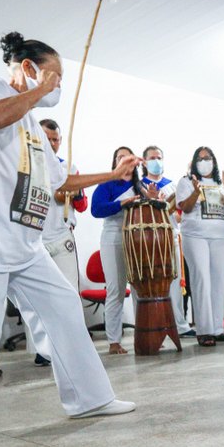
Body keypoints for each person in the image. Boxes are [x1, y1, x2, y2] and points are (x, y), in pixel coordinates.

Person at [0, 32, 136, 447]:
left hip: (19, 240)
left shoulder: (33, 124)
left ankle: (88, 398)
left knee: (64, 307)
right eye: (56, 76)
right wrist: (39, 90)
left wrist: (113, 175)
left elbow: (59, 180)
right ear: (29, 67)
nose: (57, 86)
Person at [27, 118, 88, 366]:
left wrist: (71, 193)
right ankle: (44, 350)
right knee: (39, 298)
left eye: (55, 139)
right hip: (34, 239)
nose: (51, 143)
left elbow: (82, 206)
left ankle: (72, 346)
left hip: (62, 236)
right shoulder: (25, 163)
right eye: (46, 138)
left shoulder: (69, 167)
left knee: (69, 293)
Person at [176, 147, 224, 346]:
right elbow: (184, 207)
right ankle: (204, 330)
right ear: (194, 162)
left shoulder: (222, 183)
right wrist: (196, 191)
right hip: (196, 235)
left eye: (208, 158)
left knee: (218, 280)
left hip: (220, 236)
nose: (204, 162)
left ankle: (217, 328)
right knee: (201, 278)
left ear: (214, 160)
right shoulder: (186, 182)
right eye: (200, 159)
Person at [91, 146, 142, 355]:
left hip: (138, 239)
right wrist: (123, 203)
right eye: (119, 157)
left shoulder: (141, 185)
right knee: (116, 290)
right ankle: (114, 341)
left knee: (140, 289)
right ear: (115, 163)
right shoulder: (108, 184)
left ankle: (144, 333)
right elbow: (96, 209)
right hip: (114, 239)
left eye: (127, 157)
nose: (124, 160)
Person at [141, 145, 195, 338]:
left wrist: (169, 207)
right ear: (144, 161)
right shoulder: (138, 186)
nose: (157, 161)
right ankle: (156, 325)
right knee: (153, 282)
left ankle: (180, 324)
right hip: (147, 240)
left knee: (175, 281)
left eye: (159, 157)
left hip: (171, 236)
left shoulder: (174, 185)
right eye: (152, 157)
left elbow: (180, 214)